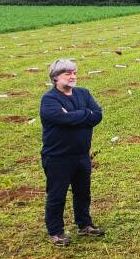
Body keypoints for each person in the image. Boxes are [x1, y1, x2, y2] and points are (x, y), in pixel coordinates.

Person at [39, 59, 104, 246]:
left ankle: (84, 225)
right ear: (55, 77)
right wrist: (85, 114)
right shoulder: (49, 99)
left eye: (74, 73)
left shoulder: (83, 93)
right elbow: (61, 119)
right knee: (57, 194)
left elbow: (97, 115)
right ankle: (56, 232)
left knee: (83, 192)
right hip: (57, 157)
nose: (73, 76)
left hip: (81, 154)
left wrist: (73, 115)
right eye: (68, 74)